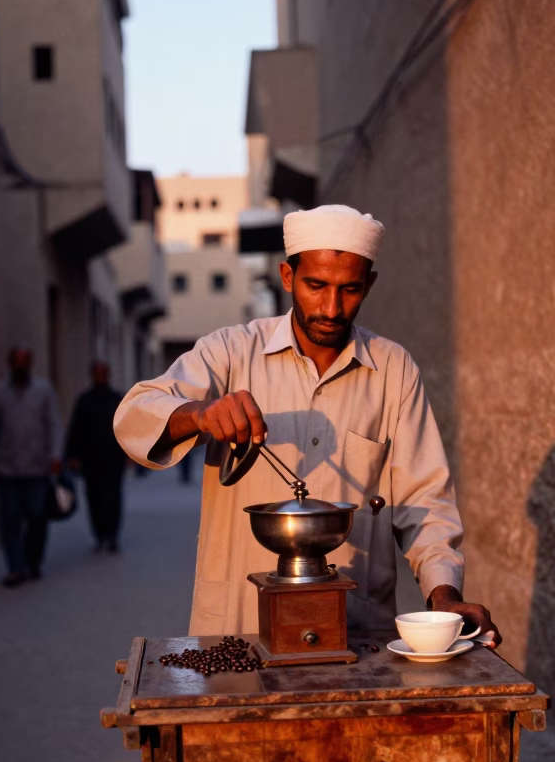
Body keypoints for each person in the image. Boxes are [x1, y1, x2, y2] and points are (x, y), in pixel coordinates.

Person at [113, 204, 501, 644]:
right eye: (316, 286)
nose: (331, 308)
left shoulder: (393, 369)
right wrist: (201, 413)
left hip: (357, 630)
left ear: (369, 285)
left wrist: (443, 597)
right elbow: (133, 416)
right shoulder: (230, 352)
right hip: (238, 625)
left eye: (349, 289)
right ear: (287, 277)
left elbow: (424, 500)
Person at [0, 346, 62, 587]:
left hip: (37, 466)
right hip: (7, 467)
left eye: (25, 361)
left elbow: (54, 424)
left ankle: (33, 560)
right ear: (9, 363)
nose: (21, 365)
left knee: (37, 515)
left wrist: (55, 455)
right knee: (10, 517)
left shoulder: (43, 390)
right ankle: (15, 568)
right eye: (17, 361)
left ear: (31, 364)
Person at [65, 360, 128, 552]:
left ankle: (112, 536)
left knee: (113, 497)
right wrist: (72, 455)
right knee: (94, 498)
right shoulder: (84, 401)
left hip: (114, 458)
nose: (100, 376)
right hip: (90, 459)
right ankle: (100, 535)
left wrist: (131, 453)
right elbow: (75, 429)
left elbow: (128, 428)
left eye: (103, 373)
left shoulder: (117, 399)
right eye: (97, 373)